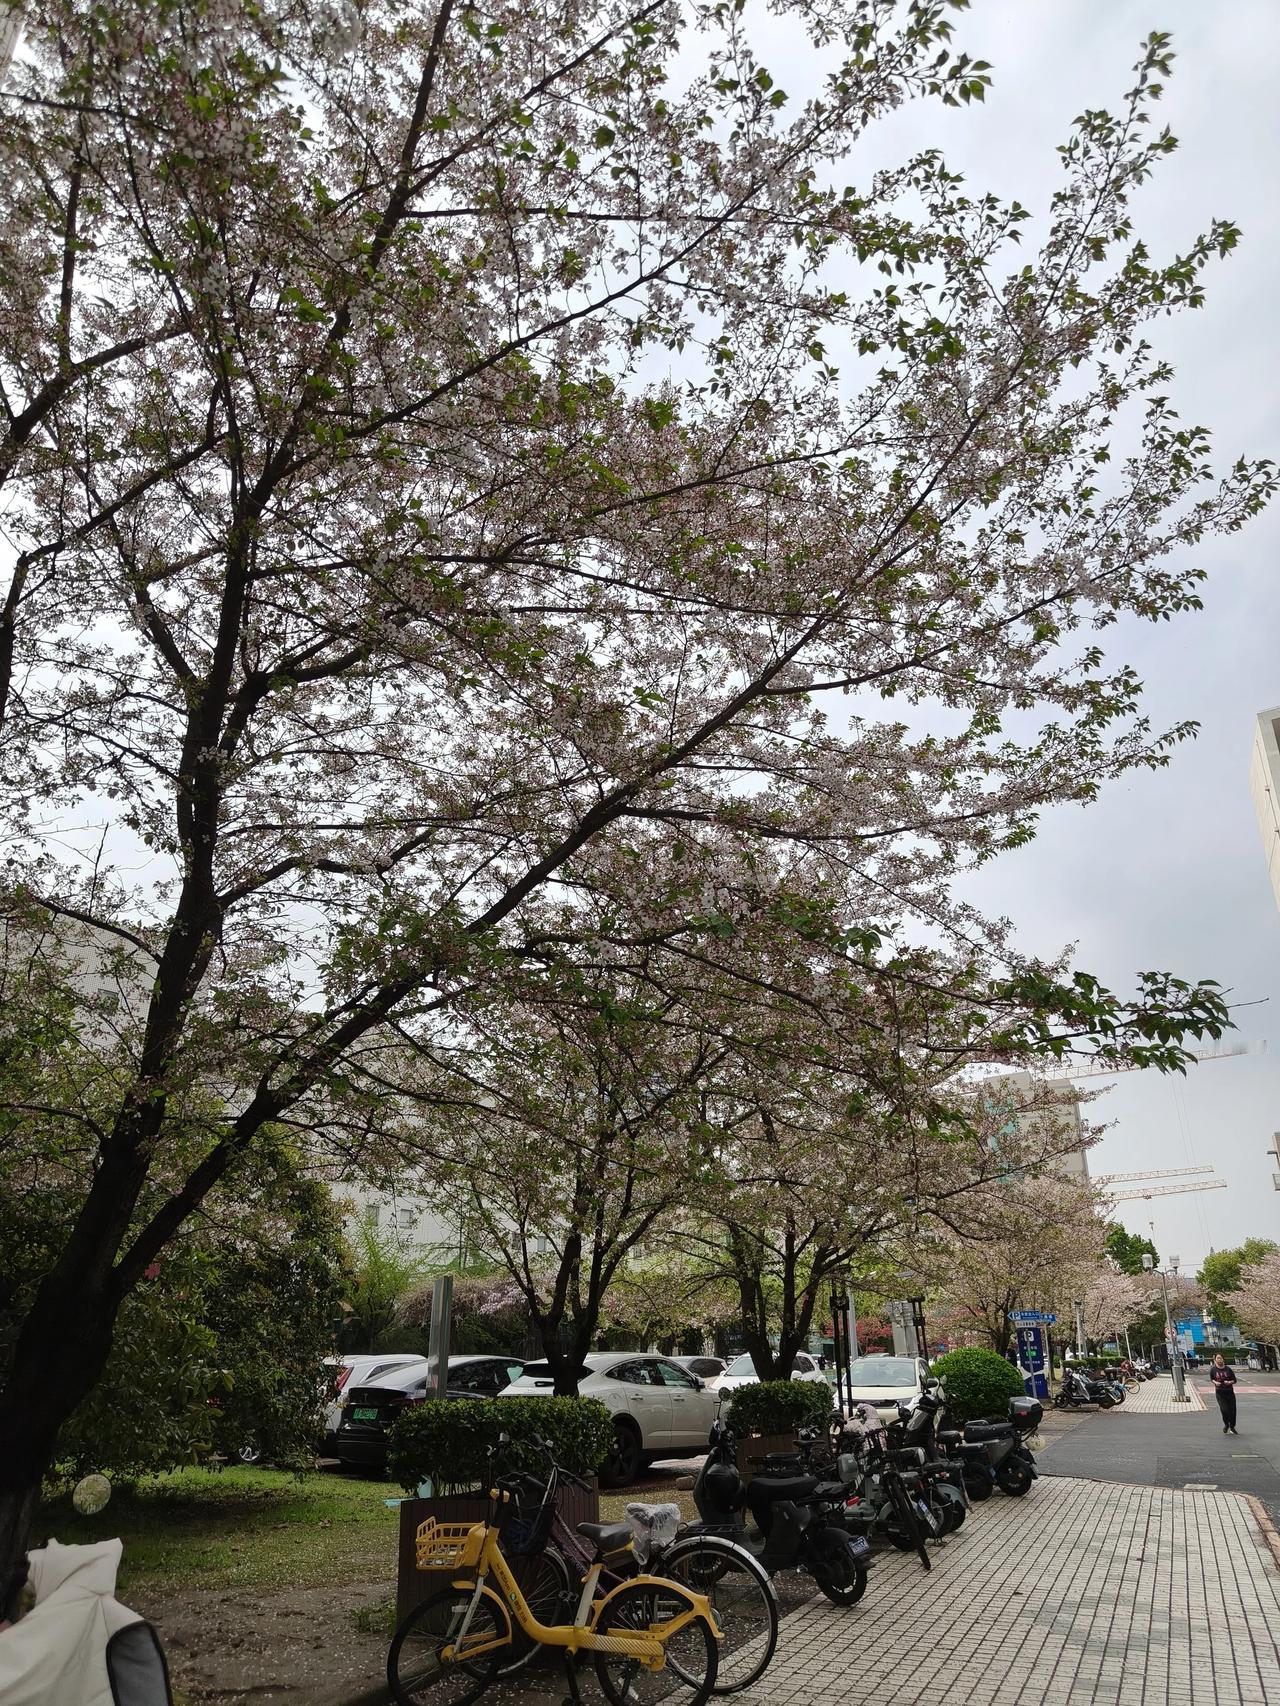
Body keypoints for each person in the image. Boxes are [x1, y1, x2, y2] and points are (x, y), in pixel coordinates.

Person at [1210, 1353, 1238, 1434]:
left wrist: (1229, 1382)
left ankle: (1232, 1427)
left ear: (1223, 1359)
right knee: (1224, 1410)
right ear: (1215, 1360)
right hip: (1220, 1393)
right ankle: (1226, 1424)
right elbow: (1212, 1379)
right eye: (1217, 1358)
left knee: (1232, 1411)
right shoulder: (1213, 1370)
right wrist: (1215, 1382)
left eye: (1220, 1358)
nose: (1219, 1360)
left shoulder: (1228, 1369)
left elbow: (1234, 1380)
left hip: (1229, 1392)